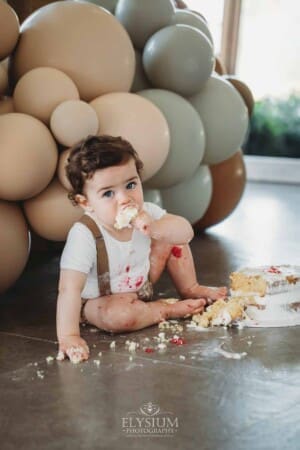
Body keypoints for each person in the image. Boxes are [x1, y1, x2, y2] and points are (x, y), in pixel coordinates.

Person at [56, 135, 227, 362]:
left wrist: (155, 228)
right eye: (108, 193)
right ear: (86, 202)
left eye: (130, 185)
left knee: (172, 234)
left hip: (142, 284)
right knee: (119, 317)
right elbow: (69, 289)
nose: (125, 199)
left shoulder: (146, 211)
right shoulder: (85, 234)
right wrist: (69, 336)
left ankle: (190, 287)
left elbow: (186, 232)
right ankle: (164, 310)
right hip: (102, 301)